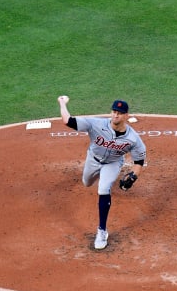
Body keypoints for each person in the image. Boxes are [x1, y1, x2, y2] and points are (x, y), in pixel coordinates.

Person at [57, 95, 147, 250]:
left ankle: (102, 231)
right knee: (87, 183)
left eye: (119, 112)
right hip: (93, 159)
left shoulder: (133, 139)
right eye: (113, 111)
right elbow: (68, 121)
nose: (115, 115)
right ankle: (99, 175)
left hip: (113, 163)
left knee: (103, 189)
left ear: (126, 115)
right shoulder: (96, 124)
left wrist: (133, 176)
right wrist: (62, 103)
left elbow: (139, 161)